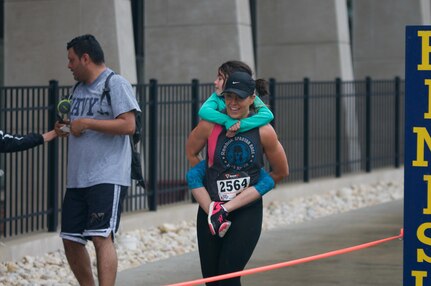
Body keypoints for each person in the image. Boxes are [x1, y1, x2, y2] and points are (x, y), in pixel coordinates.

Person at [186, 71, 289, 285]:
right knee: (212, 281)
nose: (233, 103)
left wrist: (255, 189)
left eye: (239, 98)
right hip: (212, 210)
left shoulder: (264, 131)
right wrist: (211, 179)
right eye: (228, 96)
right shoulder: (209, 125)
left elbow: (280, 171)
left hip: (246, 213)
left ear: (252, 99)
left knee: (228, 279)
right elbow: (191, 153)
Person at [55, 34, 140, 286]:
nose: (69, 65)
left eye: (71, 60)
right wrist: (67, 127)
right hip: (78, 178)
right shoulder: (78, 89)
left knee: (101, 236)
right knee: (70, 238)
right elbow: (80, 125)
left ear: (85, 58)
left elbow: (128, 125)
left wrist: (88, 123)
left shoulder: (115, 84)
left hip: (108, 175)